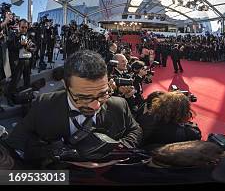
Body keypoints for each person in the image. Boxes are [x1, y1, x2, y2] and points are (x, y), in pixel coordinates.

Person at [5, 50, 142, 168]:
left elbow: (135, 130)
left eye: (102, 94)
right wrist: (56, 153)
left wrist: (115, 150)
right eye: (83, 97)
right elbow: (17, 141)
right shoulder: (44, 104)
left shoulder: (119, 105)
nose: (96, 106)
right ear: (65, 85)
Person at [6, 19, 36, 106]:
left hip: (27, 60)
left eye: (26, 27)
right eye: (22, 27)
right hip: (17, 62)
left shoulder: (29, 35)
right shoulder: (13, 34)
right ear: (19, 27)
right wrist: (21, 44)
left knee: (27, 80)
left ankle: (26, 95)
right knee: (15, 81)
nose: (24, 29)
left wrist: (32, 48)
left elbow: (35, 46)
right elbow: (10, 47)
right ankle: (9, 97)